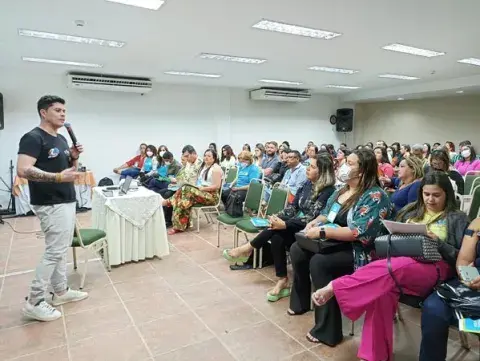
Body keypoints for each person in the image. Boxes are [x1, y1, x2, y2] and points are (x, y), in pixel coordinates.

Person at [311, 172, 469, 361]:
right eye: (426, 194)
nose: (430, 199)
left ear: (447, 195)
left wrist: (438, 242)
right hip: (401, 260)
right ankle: (374, 355)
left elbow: (460, 257)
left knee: (394, 268)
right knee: (382, 290)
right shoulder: (412, 210)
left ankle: (337, 286)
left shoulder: (457, 218)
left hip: (436, 266)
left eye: (436, 195)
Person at [287, 148, 393, 346]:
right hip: (333, 241)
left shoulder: (375, 196)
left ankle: (329, 329)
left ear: (362, 171)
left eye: (350, 164)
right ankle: (301, 302)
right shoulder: (342, 190)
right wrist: (315, 223)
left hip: (359, 250)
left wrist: (323, 232)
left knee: (320, 263)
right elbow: (327, 214)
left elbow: (358, 233)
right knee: (297, 249)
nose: (343, 167)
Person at [223, 154, 336, 301]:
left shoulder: (328, 191)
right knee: (276, 236)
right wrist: (277, 216)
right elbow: (293, 207)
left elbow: (312, 217)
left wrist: (284, 224)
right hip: (296, 224)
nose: (307, 169)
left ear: (323, 172)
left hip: (311, 229)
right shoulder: (307, 184)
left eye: (312, 167)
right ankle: (282, 280)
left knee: (278, 230)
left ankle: (248, 248)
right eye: (308, 165)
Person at [17, 95, 88, 322]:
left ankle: (61, 291)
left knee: (59, 248)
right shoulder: (33, 137)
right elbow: (23, 169)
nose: (62, 114)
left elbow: (71, 171)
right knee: (54, 251)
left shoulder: (61, 140)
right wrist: (57, 177)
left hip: (65, 198)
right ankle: (34, 301)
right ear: (43, 112)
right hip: (50, 202)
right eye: (57, 110)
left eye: (64, 111)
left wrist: (74, 158)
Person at [419, 217, 480, 361]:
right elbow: (464, 260)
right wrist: (470, 278)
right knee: (434, 307)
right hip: (474, 278)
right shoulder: (478, 223)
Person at [164, 149, 222, 234]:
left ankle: (169, 202)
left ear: (214, 158)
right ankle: (178, 226)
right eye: (205, 155)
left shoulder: (216, 169)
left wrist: (203, 189)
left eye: (209, 156)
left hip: (211, 195)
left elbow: (217, 186)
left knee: (185, 190)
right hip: (201, 192)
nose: (206, 157)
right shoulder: (203, 166)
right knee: (184, 198)